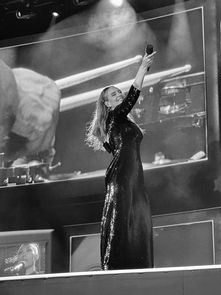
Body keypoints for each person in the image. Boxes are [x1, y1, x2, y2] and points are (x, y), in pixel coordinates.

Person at [86, 48, 156, 270]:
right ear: (106, 104)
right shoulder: (116, 116)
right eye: (114, 94)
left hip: (131, 176)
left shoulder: (119, 121)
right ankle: (120, 267)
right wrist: (142, 68)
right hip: (124, 177)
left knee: (135, 222)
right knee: (125, 222)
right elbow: (133, 94)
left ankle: (135, 266)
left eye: (119, 92)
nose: (119, 95)